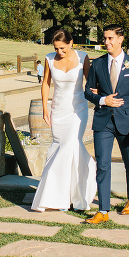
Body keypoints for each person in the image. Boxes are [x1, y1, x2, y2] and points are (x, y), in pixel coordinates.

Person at [82, 24, 129, 224]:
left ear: (120, 39)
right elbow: (88, 92)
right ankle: (103, 210)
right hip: (103, 122)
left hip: (127, 122)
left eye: (110, 38)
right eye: (105, 38)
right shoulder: (98, 64)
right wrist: (103, 100)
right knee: (102, 165)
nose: (106, 42)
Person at [31, 29, 96, 212]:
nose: (59, 52)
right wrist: (45, 107)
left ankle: (70, 195)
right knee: (61, 146)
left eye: (63, 48)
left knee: (70, 145)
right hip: (58, 110)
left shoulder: (83, 57)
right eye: (56, 48)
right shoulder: (49, 58)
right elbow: (46, 83)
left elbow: (90, 82)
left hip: (78, 111)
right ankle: (67, 195)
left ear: (71, 43)